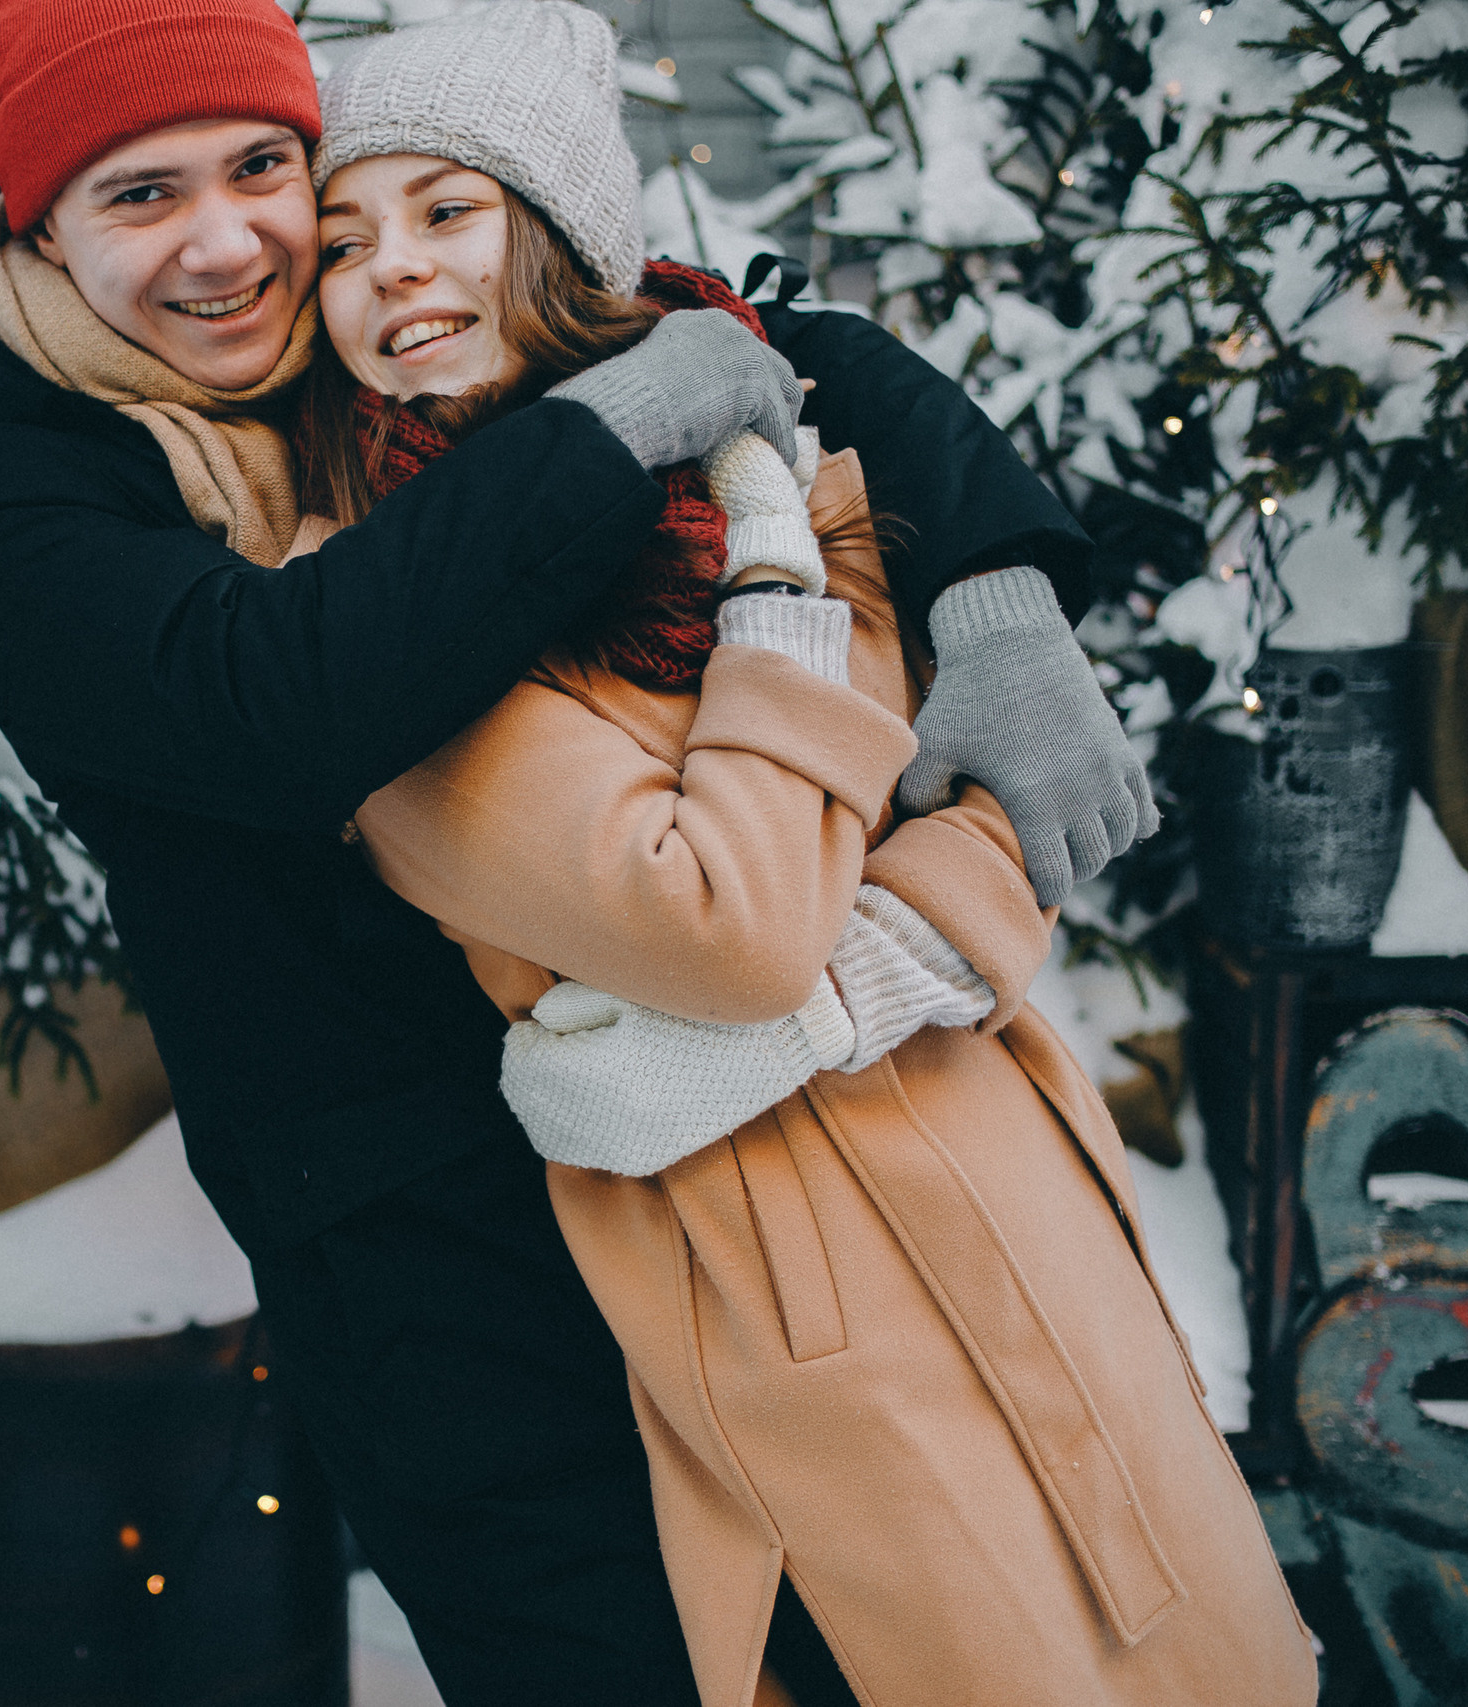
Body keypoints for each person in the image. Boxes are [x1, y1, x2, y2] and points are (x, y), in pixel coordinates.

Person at [0, 2, 1158, 1698]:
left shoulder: (346, 311)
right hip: (432, 1256)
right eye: (139, 196)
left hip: (726, 1159)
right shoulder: (9, 510)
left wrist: (996, 589)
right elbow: (279, 703)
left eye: (263, 169)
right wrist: (617, 426)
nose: (228, 241)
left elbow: (759, 329)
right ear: (38, 227)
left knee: (888, 1644)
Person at [296, 8, 1317, 1702]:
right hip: (784, 1263)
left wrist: (976, 646)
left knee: (1201, 1649)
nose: (391, 270)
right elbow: (739, 928)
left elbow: (998, 810)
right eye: (343, 238)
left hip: (1000, 1157)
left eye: (446, 212)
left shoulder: (754, 457)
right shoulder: (384, 615)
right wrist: (800, 607)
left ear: (557, 238)